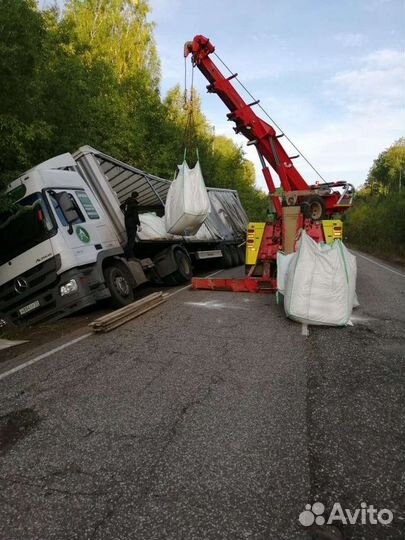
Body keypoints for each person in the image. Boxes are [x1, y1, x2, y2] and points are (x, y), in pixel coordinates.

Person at [120, 191, 141, 259]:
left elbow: (121, 206)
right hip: (132, 224)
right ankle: (129, 255)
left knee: (129, 239)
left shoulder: (126, 203)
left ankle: (127, 254)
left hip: (127, 223)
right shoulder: (134, 205)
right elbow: (135, 215)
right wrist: (139, 224)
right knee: (131, 241)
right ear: (136, 196)